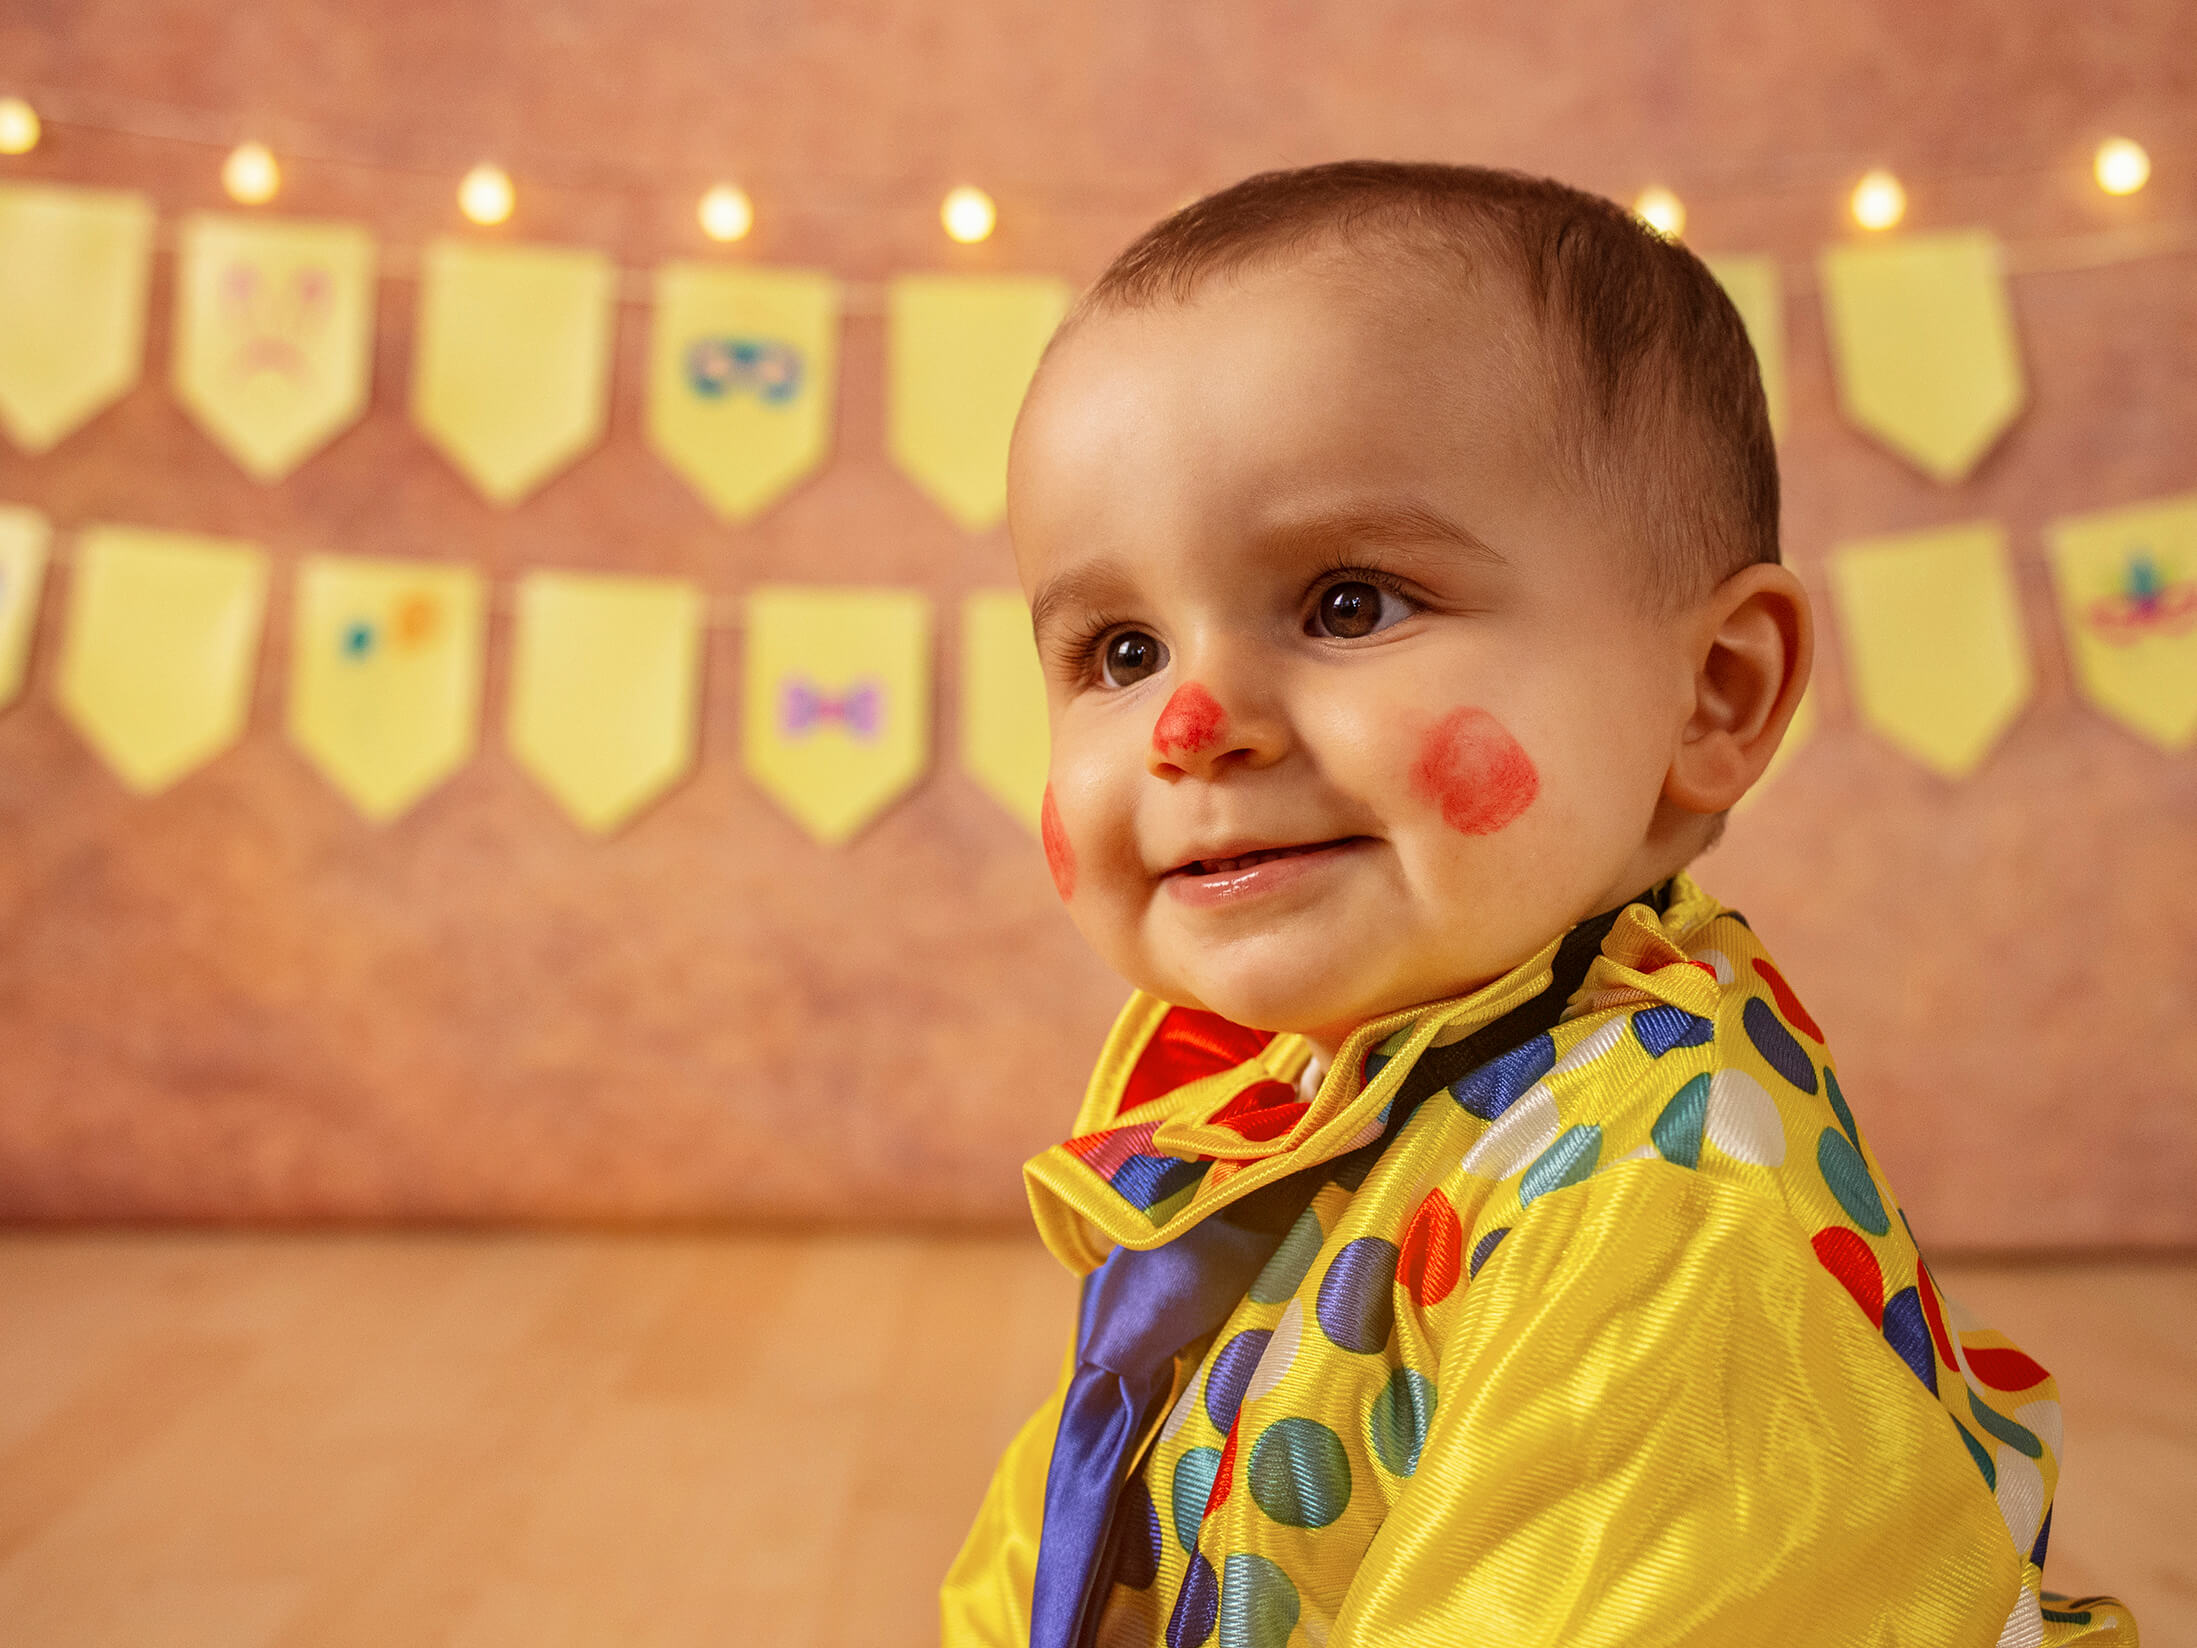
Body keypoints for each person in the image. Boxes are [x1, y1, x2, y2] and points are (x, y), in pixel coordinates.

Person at [940, 162, 2134, 1648]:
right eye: (1118, 651)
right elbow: (1078, 1537)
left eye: (1347, 603)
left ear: (1712, 692)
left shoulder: (1662, 1206)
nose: (1192, 723)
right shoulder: (1297, 1096)